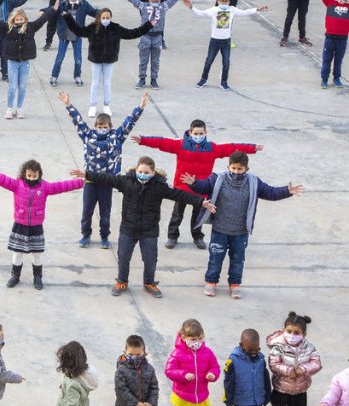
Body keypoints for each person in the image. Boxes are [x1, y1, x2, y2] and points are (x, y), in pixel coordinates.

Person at [70, 156, 214, 298]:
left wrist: (201, 202)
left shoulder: (160, 186)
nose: (143, 175)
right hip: (128, 227)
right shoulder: (126, 181)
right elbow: (107, 178)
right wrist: (87, 174)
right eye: (141, 171)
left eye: (147, 172)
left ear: (153, 173)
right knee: (123, 257)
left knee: (150, 259)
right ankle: (122, 282)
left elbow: (180, 195)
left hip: (149, 230)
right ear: (136, 169)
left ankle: (149, 283)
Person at [183, 152, 304, 299]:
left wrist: (287, 191)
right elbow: (204, 186)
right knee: (215, 258)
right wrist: (194, 184)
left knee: (238, 259)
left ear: (246, 168)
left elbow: (270, 192)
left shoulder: (253, 182)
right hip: (220, 230)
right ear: (228, 166)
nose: (236, 171)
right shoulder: (218, 179)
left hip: (240, 232)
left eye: (239, 169)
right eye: (233, 168)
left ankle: (235, 283)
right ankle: (211, 281)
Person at [132, 119, 261, 250]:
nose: (198, 136)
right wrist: (143, 140)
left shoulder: (212, 148)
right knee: (177, 214)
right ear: (190, 132)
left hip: (201, 188)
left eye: (201, 134)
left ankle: (197, 236)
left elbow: (232, 148)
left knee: (198, 215)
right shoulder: (181, 145)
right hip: (182, 187)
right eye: (196, 133)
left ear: (205, 133)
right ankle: (172, 236)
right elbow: (162, 143)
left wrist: (251, 148)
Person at [0, 160, 83, 289]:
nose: (32, 178)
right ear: (24, 174)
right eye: (29, 176)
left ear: (39, 175)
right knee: (17, 253)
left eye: (34, 176)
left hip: (36, 226)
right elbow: (0, 178)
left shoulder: (45, 187)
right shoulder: (17, 185)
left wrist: (82, 182)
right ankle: (15, 276)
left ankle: (37, 277)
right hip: (20, 225)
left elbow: (62, 186)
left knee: (37, 254)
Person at [60, 91, 146, 249]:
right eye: (99, 127)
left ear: (110, 127)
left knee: (105, 213)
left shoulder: (117, 137)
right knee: (87, 211)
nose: (102, 129)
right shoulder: (88, 136)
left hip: (107, 183)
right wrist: (68, 105)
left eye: (105, 127)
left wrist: (140, 108)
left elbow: (129, 123)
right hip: (90, 181)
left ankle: (104, 236)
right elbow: (78, 122)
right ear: (95, 127)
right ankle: (85, 235)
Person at [64, 8, 154, 117]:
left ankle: (106, 106)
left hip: (109, 60)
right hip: (96, 60)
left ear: (111, 18)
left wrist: (148, 25)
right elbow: (78, 31)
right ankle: (93, 106)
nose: (105, 19)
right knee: (95, 83)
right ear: (99, 18)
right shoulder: (92, 28)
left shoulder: (116, 28)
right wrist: (68, 17)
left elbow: (132, 33)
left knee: (107, 84)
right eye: (103, 18)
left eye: (108, 18)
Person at [0, 4, 55, 118]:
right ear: (13, 20)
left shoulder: (31, 27)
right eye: (17, 19)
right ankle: (9, 109)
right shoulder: (8, 28)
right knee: (12, 87)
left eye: (21, 19)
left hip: (25, 63)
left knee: (22, 87)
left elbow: (43, 19)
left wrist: (53, 9)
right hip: (13, 63)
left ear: (25, 19)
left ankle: (19, 109)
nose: (19, 21)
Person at [265, 312, 321, 406]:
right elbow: (273, 364)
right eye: (289, 331)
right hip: (282, 388)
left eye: (296, 332)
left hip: (300, 389)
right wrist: (288, 371)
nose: (292, 335)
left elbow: (316, 363)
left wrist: (303, 369)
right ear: (284, 330)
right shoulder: (278, 346)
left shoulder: (309, 348)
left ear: (304, 334)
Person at [164, 319, 219, 406]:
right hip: (182, 394)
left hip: (200, 394)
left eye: (200, 338)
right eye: (193, 339)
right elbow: (169, 370)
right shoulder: (177, 353)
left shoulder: (207, 352)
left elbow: (215, 367)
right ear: (184, 337)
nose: (197, 341)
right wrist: (183, 374)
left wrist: (212, 374)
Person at [182, 0, 268, 90]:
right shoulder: (213, 10)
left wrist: (258, 9)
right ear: (218, 1)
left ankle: (224, 82)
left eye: (226, 1)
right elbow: (200, 13)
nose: (224, 3)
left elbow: (245, 12)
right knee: (208, 62)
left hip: (226, 41)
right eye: (222, 1)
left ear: (229, 2)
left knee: (226, 63)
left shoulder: (232, 10)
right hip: (214, 40)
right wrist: (191, 7)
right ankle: (203, 79)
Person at [223, 329, 271, 406]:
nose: (254, 353)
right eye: (250, 350)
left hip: (256, 400)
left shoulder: (261, 359)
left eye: (257, 349)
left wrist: (267, 394)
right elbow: (228, 381)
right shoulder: (233, 360)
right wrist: (228, 397)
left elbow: (265, 377)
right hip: (239, 399)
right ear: (241, 345)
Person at [127, 0, 178, 89]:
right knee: (143, 60)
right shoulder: (143, 5)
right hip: (145, 36)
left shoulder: (164, 6)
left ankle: (154, 79)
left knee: (155, 61)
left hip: (157, 37)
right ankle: (142, 79)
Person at [49, 0, 98, 87]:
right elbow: (51, 10)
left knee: (78, 59)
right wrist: (43, 10)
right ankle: (54, 76)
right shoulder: (62, 3)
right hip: (64, 36)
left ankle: (77, 76)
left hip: (77, 36)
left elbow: (93, 12)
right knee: (59, 58)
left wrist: (103, 13)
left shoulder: (84, 4)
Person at [0, 0, 29, 83]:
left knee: (4, 54)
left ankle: (5, 74)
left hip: (5, 32)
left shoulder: (8, 2)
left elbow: (19, 2)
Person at [319, 0, 349, 89]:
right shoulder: (330, 3)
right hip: (330, 38)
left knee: (338, 61)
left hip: (343, 38)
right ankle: (324, 80)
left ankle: (337, 78)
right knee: (326, 60)